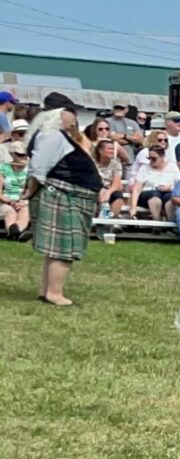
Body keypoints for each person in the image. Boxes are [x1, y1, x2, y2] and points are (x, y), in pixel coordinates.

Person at [23, 94, 98, 305]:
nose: (74, 117)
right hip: (64, 194)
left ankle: (47, 291)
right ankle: (54, 294)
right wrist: (29, 191)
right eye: (71, 112)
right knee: (63, 248)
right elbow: (38, 168)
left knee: (55, 248)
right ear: (58, 114)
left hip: (66, 193)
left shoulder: (51, 135)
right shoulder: (53, 136)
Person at [90, 137, 128, 218]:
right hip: (95, 187)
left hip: (110, 188)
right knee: (97, 194)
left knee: (118, 197)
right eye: (109, 149)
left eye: (113, 149)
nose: (112, 151)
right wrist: (102, 188)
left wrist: (108, 192)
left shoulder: (116, 162)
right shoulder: (92, 162)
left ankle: (109, 221)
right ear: (100, 151)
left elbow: (116, 183)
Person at [2, 142, 30, 240]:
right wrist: (10, 202)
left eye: (26, 154)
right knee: (9, 212)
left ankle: (14, 233)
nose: (24, 157)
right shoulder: (3, 169)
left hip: (24, 200)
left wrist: (23, 200)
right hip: (5, 200)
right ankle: (17, 233)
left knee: (25, 212)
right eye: (20, 154)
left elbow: (30, 189)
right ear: (12, 154)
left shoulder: (31, 169)